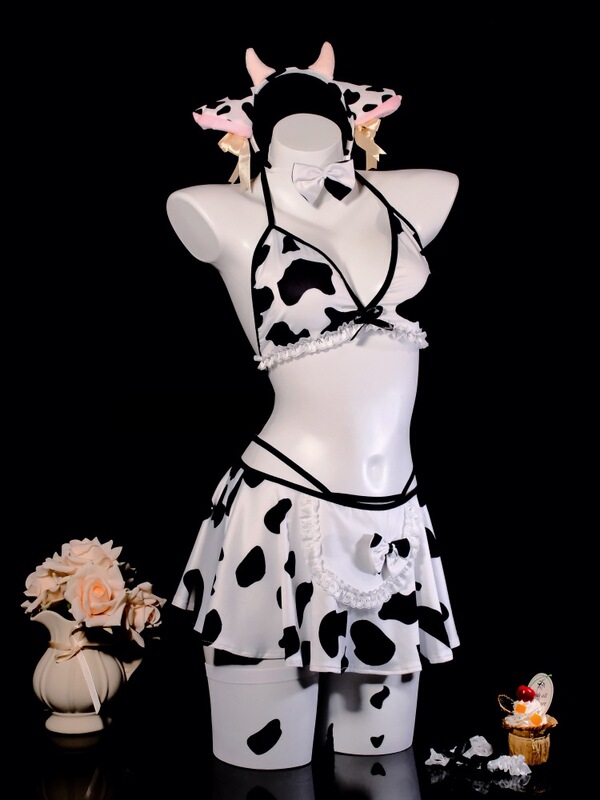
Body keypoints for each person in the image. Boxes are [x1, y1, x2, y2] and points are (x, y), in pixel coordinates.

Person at [168, 42, 460, 771]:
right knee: (265, 770)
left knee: (383, 768)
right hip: (282, 512)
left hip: (394, 517)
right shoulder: (219, 211)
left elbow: (443, 183)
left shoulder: (413, 197)